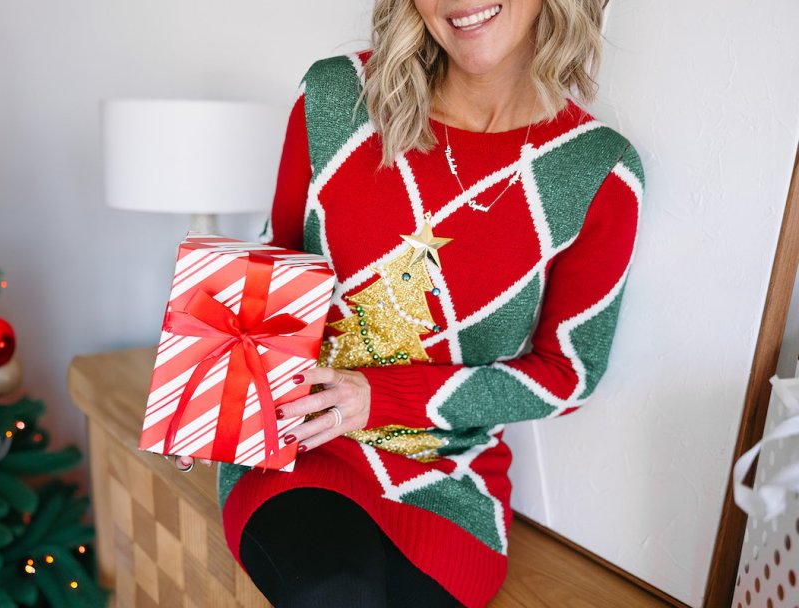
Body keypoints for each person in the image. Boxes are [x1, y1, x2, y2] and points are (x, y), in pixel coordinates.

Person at [176, 0, 643, 605]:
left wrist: (381, 400)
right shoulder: (337, 95)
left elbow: (569, 374)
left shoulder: (597, 170)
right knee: (332, 591)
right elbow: (280, 255)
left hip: (450, 478)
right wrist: (207, 397)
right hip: (302, 441)